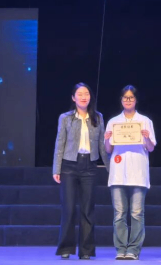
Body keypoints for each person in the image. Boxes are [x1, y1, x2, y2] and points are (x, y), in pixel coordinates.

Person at [52, 82, 110, 260]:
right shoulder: (66, 118)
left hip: (90, 166)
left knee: (87, 209)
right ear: (73, 97)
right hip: (69, 165)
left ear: (90, 97)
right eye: (80, 94)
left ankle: (86, 250)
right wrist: (56, 168)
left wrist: (110, 168)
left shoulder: (98, 117)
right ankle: (65, 248)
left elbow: (102, 145)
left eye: (86, 94)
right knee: (69, 209)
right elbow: (60, 143)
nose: (84, 97)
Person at [104, 85, 156, 260]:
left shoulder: (145, 121)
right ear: (121, 100)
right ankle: (121, 249)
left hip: (138, 172)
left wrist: (147, 137)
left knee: (136, 213)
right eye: (125, 97)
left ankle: (133, 249)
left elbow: (151, 147)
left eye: (131, 97)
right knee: (119, 213)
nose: (128, 100)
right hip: (118, 172)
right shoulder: (113, 122)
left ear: (136, 100)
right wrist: (107, 139)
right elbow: (108, 149)